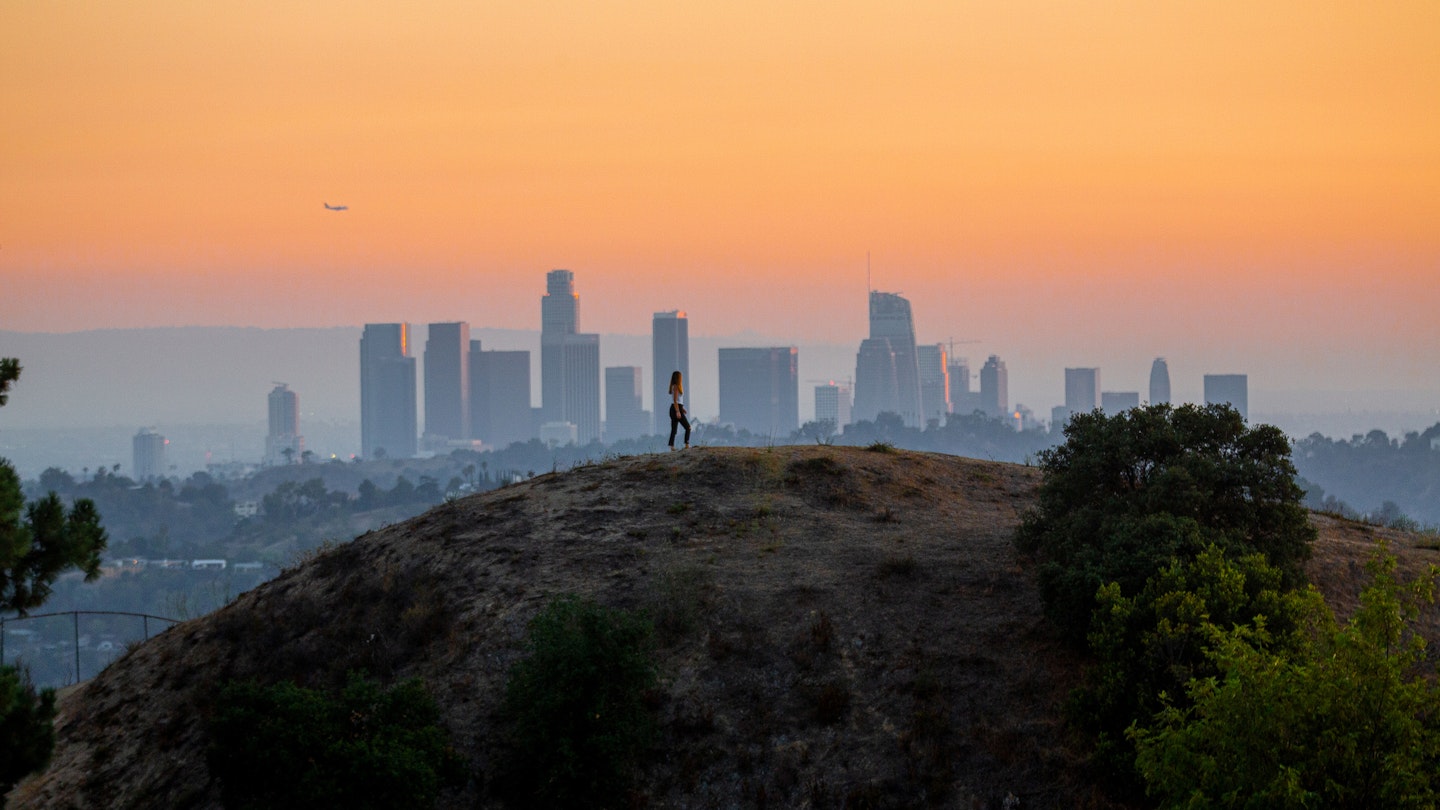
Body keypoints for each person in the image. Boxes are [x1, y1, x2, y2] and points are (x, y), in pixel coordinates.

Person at [667, 370, 691, 450]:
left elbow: (678, 401)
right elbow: (675, 400)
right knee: (688, 427)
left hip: (676, 408)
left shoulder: (675, 386)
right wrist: (678, 411)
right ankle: (687, 444)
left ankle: (672, 446)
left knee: (674, 429)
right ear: (678, 378)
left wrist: (682, 408)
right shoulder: (676, 386)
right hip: (675, 408)